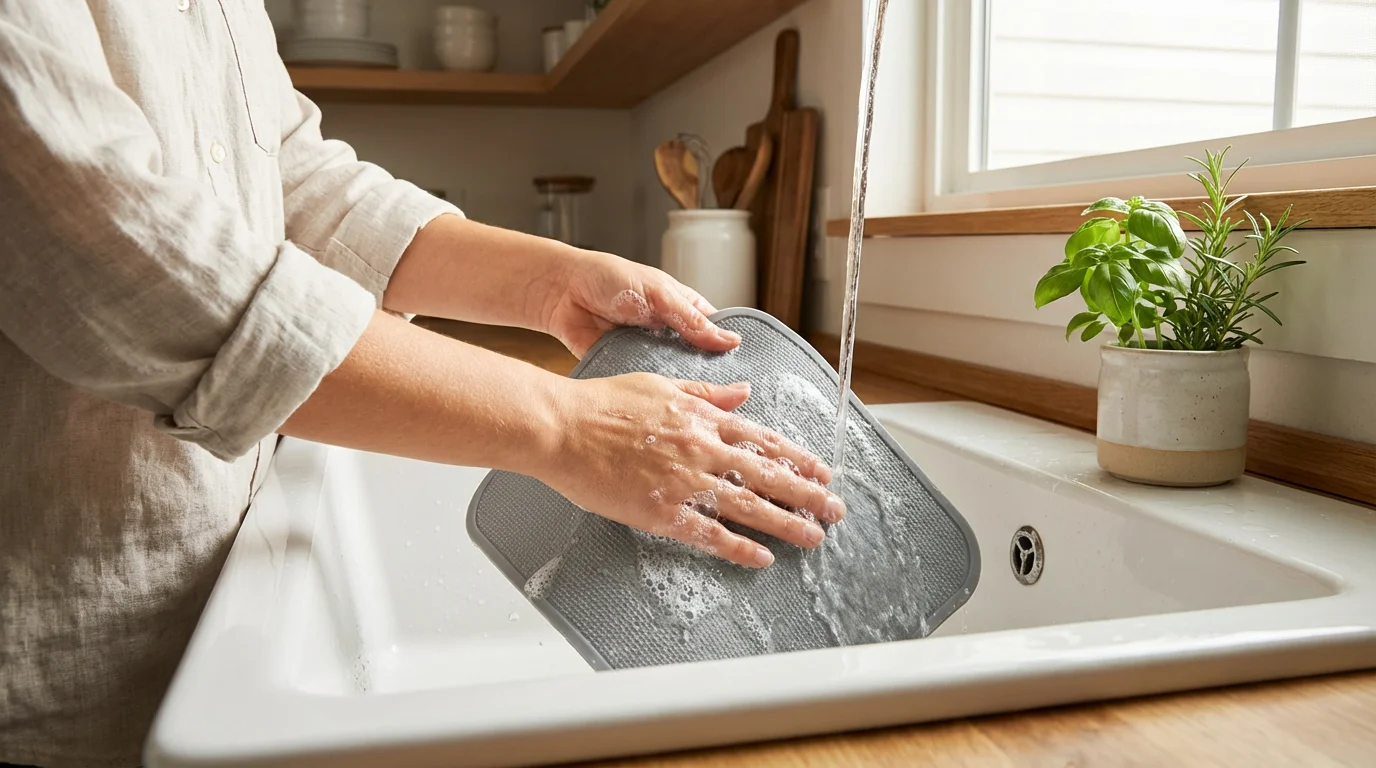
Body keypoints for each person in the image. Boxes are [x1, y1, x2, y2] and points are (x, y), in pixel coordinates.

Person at [0, 2, 846, 766]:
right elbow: (116, 255)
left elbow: (296, 180)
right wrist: (568, 424)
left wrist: (548, 282)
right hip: (66, 666)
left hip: (208, 608)